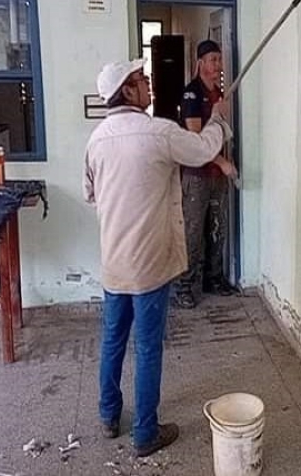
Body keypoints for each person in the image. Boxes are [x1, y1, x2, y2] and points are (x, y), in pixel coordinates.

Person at [83, 59, 232, 457]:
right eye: (142, 79)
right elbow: (203, 149)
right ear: (127, 91)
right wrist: (218, 119)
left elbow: (91, 193)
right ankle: (145, 433)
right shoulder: (158, 133)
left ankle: (108, 416)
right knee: (148, 347)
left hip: (114, 261)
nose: (149, 83)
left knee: (113, 339)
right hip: (149, 261)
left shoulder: (96, 140)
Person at [174, 40, 240, 309]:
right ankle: (184, 286)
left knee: (217, 228)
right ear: (200, 62)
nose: (218, 65)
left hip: (217, 176)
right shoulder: (191, 94)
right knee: (193, 231)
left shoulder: (219, 95)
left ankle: (213, 278)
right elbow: (196, 141)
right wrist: (223, 163)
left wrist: (227, 159)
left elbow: (221, 133)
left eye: (219, 59)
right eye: (212, 59)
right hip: (196, 176)